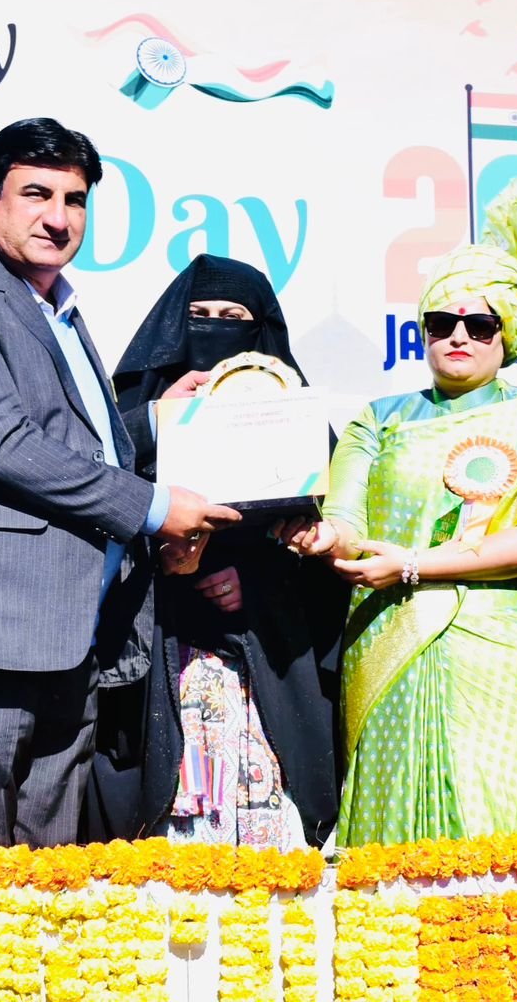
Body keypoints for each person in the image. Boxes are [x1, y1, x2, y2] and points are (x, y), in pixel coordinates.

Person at [0, 117, 240, 852]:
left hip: (71, 647)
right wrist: (155, 508)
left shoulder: (63, 313)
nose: (58, 217)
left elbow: (76, 445)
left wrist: (153, 427)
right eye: (36, 194)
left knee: (49, 895)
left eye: (74, 200)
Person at [287, 182, 517, 845]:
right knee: (389, 821)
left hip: (496, 647)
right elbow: (348, 523)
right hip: (387, 633)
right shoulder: (380, 418)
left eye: (480, 325)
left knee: (498, 817)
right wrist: (323, 539)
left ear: (509, 334)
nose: (458, 337)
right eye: (441, 323)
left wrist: (417, 565)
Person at [87, 255, 345, 848]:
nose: (215, 329)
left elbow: (329, 553)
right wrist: (164, 558)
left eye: (233, 318)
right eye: (199, 316)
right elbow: (90, 505)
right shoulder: (129, 421)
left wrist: (257, 582)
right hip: (157, 659)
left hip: (265, 669)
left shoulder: (301, 425)